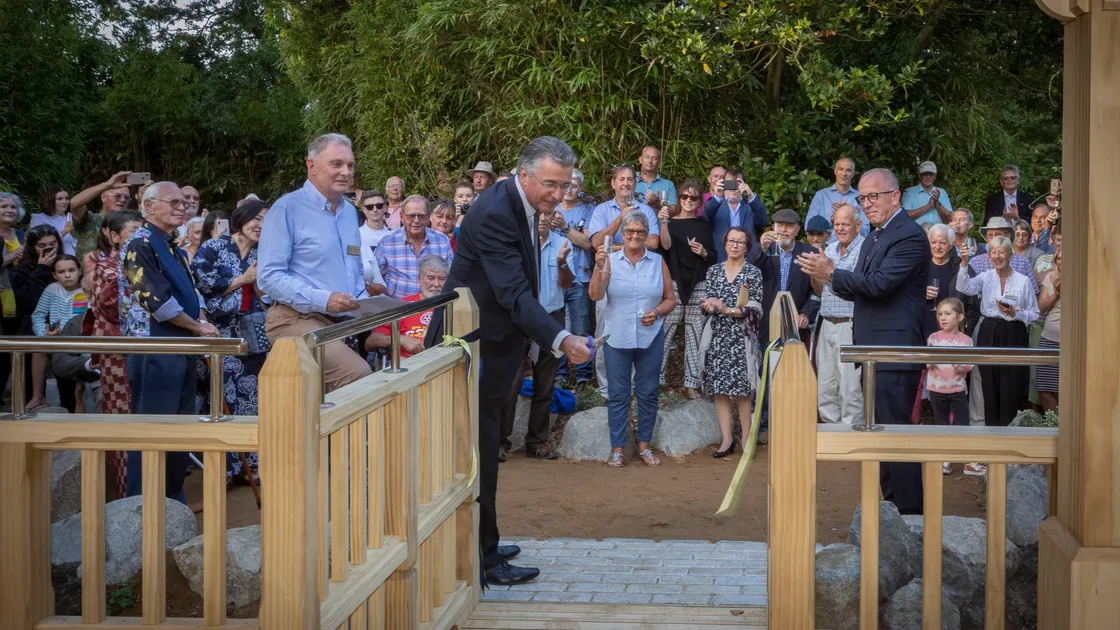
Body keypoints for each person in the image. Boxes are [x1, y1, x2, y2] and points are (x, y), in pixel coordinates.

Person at [423, 136, 592, 586]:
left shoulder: (516, 203)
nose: (558, 196)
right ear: (525, 174)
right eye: (551, 185)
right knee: (475, 452)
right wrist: (560, 337)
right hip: (470, 346)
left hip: (495, 344)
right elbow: (512, 293)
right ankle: (482, 558)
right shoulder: (497, 211)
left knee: (486, 448)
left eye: (564, 186)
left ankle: (486, 542)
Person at [797, 168, 930, 515]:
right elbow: (863, 285)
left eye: (874, 196)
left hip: (895, 349)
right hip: (872, 349)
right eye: (863, 198)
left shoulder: (909, 236)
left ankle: (910, 514)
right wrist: (830, 277)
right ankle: (891, 507)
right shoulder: (875, 236)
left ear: (895, 196)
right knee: (881, 433)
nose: (867, 204)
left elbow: (879, 285)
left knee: (896, 433)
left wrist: (831, 274)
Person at [120, 182, 219, 501]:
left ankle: (173, 498)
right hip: (155, 345)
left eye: (184, 203)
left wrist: (201, 319)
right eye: (173, 202)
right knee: (155, 427)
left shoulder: (174, 246)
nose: (182, 207)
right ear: (148, 207)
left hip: (182, 344)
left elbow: (192, 291)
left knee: (180, 426)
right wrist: (196, 326)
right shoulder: (139, 243)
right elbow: (154, 299)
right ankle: (144, 502)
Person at [258, 133, 372, 393]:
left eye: (350, 165)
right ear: (311, 166)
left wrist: (368, 303)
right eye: (336, 164)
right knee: (359, 376)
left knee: (324, 404)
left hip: (340, 323)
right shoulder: (286, 209)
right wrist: (324, 299)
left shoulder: (349, 213)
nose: (346, 172)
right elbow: (268, 277)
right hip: (294, 319)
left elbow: (353, 270)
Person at [191, 199, 271, 484]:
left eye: (266, 220)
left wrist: (259, 285)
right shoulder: (214, 247)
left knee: (254, 398)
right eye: (256, 218)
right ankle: (225, 468)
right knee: (220, 399)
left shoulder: (266, 252)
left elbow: (269, 294)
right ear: (242, 219)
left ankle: (254, 464)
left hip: (253, 331)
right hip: (219, 331)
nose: (260, 225)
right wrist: (242, 279)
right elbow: (201, 284)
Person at [590, 210, 675, 468]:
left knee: (648, 393)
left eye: (639, 231)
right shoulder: (610, 261)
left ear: (646, 234)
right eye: (630, 232)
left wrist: (657, 312)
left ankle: (644, 447)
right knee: (618, 393)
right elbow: (595, 294)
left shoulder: (658, 261)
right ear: (622, 234)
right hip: (617, 335)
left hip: (650, 336)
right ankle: (617, 449)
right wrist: (598, 266)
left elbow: (670, 299)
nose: (635, 236)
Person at [500, 210, 574, 460]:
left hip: (551, 318)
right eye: (537, 215)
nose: (542, 219)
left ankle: (537, 442)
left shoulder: (562, 244)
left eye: (546, 215)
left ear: (553, 217)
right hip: (519, 318)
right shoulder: (517, 243)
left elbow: (567, 284)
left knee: (546, 382)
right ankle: (500, 442)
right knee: (511, 382)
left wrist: (562, 261)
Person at [87, 210, 143, 499]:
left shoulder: (145, 261)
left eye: (141, 230)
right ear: (113, 236)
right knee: (121, 419)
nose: (139, 236)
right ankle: (127, 498)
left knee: (150, 418)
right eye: (132, 231)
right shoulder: (104, 267)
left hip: (146, 349)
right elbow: (110, 307)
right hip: (116, 352)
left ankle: (160, 495)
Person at [956, 236, 1039, 429]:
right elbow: (964, 287)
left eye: (1001, 252)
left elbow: (1034, 313)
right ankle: (991, 433)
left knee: (1010, 383)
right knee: (988, 382)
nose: (997, 256)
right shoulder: (986, 276)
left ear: (1010, 255)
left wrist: (1015, 314)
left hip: (1014, 331)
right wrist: (964, 262)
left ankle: (1009, 433)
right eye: (993, 252)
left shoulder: (1023, 280)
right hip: (989, 330)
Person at [700, 226, 763, 456]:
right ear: (725, 244)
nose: (735, 245)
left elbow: (755, 309)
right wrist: (708, 306)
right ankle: (726, 440)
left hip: (742, 337)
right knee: (720, 388)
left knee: (744, 389)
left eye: (740, 242)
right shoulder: (713, 271)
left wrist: (726, 309)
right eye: (731, 241)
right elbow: (710, 303)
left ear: (747, 247)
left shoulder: (753, 273)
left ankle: (746, 438)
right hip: (717, 336)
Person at [657, 178, 716, 399]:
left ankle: (691, 384)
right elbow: (665, 246)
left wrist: (702, 252)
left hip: (698, 284)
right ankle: (656, 380)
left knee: (695, 335)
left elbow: (713, 256)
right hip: (673, 283)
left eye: (693, 197)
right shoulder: (670, 222)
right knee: (664, 332)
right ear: (679, 198)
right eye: (684, 196)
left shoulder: (703, 225)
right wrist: (663, 223)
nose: (688, 201)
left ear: (700, 201)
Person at [813, 204, 865, 425]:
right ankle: (831, 430)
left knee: (850, 383)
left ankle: (851, 432)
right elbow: (818, 289)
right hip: (826, 321)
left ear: (858, 225)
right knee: (825, 382)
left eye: (845, 224)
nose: (840, 228)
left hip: (850, 323)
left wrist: (828, 271)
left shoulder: (866, 250)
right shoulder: (830, 249)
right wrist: (815, 269)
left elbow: (859, 286)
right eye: (837, 224)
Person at [11, 225, 64, 411]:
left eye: (53, 244)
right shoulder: (21, 270)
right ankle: (33, 399)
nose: (49, 249)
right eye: (42, 245)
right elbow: (26, 302)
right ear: (33, 247)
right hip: (32, 328)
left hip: (64, 325)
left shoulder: (65, 266)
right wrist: (42, 269)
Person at [551, 168, 595, 386]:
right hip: (553, 277)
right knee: (556, 328)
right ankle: (558, 373)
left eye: (574, 185)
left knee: (581, 326)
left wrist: (564, 227)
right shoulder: (550, 206)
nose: (569, 190)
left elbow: (587, 243)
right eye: (566, 184)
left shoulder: (588, 210)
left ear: (580, 188)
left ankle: (583, 373)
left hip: (580, 276)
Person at [752, 208, 819, 345]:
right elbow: (750, 275)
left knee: (793, 364)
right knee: (766, 364)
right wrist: (763, 249)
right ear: (773, 227)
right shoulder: (762, 249)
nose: (783, 230)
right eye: (780, 225)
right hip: (766, 321)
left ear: (797, 229)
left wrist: (806, 312)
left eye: (789, 226)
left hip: (796, 321)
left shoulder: (809, 253)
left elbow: (817, 290)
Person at [30, 254, 87, 411]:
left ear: (80, 270)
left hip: (79, 340)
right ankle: (37, 396)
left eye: (71, 270)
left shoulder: (87, 289)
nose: (67, 275)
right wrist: (43, 334)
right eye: (61, 272)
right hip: (56, 338)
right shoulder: (52, 289)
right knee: (38, 349)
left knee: (75, 388)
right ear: (55, 275)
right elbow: (38, 315)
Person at [925, 297, 975, 474]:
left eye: (947, 313)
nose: (943, 318)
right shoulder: (933, 338)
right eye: (940, 314)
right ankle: (945, 459)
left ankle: (968, 460)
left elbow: (968, 366)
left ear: (960, 317)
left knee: (962, 424)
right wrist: (932, 359)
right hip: (936, 389)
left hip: (957, 390)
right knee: (942, 424)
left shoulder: (966, 341)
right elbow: (927, 363)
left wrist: (953, 360)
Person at [367, 255, 447, 359]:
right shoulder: (403, 305)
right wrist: (400, 340)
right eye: (430, 278)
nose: (436, 284)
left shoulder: (452, 306)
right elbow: (370, 343)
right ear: (419, 279)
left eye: (442, 279)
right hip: (405, 364)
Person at [375, 195, 454, 298]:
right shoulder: (387, 242)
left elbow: (452, 275)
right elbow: (375, 277)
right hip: (399, 308)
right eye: (411, 216)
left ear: (428, 217)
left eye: (421, 216)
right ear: (402, 216)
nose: (416, 220)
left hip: (432, 307)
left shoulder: (441, 241)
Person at [588, 164, 660, 252]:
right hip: (611, 264)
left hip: (640, 264)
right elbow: (596, 243)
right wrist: (620, 218)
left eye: (630, 179)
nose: (626, 183)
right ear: (613, 183)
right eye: (621, 179)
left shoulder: (647, 211)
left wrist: (619, 248)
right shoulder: (601, 210)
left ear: (635, 184)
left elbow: (653, 243)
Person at [68, 171, 133, 262]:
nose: (122, 200)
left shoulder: (129, 226)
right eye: (117, 196)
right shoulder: (90, 220)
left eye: (126, 198)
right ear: (103, 198)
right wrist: (107, 185)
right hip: (88, 275)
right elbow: (74, 203)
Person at [707, 169, 769, 260]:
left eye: (737, 184)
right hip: (721, 260)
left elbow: (763, 221)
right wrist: (717, 197)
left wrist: (751, 195)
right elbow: (704, 220)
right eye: (730, 184)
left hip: (747, 260)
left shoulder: (750, 206)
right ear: (723, 184)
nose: (734, 188)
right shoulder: (715, 205)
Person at [1, 192, 28, 396]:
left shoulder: (21, 235)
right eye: (4, 207)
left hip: (18, 298)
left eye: (13, 207)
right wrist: (12, 256)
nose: (9, 210)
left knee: (13, 347)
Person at [806, 157, 870, 241]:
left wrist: (849, 215)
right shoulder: (821, 196)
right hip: (823, 247)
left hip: (851, 248)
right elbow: (808, 226)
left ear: (853, 174)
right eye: (841, 169)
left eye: (848, 170)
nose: (844, 173)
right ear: (835, 171)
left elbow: (865, 231)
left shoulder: (860, 197)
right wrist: (832, 218)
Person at [971, 217, 1038, 295]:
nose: (993, 238)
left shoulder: (1022, 262)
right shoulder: (976, 262)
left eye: (997, 234)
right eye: (990, 235)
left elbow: (1033, 292)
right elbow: (967, 290)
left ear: (1007, 236)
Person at [1036, 247, 1061, 413]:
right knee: (1044, 387)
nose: (1061, 262)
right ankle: (1055, 424)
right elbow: (1041, 307)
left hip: (1075, 339)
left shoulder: (1085, 276)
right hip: (1049, 336)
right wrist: (1056, 294)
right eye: (1058, 259)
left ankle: (1070, 425)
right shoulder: (1049, 277)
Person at [924, 223, 960, 337]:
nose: (937, 247)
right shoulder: (919, 267)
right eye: (933, 242)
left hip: (953, 331)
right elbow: (907, 294)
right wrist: (921, 293)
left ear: (951, 245)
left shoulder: (960, 268)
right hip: (924, 327)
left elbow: (971, 303)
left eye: (942, 243)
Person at [902, 161, 952, 226]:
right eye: (925, 174)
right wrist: (928, 206)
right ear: (919, 175)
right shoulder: (909, 192)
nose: (928, 177)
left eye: (931, 174)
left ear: (935, 176)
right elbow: (904, 216)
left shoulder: (942, 192)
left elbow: (949, 218)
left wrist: (937, 204)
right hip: (916, 234)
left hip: (938, 234)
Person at [31, 187, 76, 256]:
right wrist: (65, 231)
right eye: (60, 199)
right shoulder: (39, 218)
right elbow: (39, 241)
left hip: (74, 260)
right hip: (51, 259)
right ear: (51, 201)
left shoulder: (73, 217)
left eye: (67, 198)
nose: (65, 202)